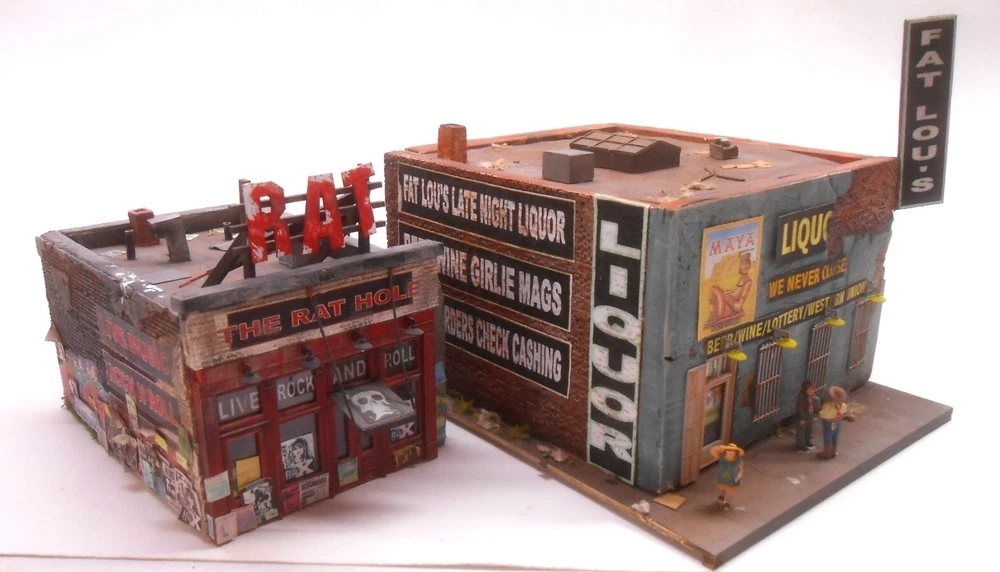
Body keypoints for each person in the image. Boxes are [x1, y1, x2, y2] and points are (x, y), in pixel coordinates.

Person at [708, 252, 754, 322]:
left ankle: (715, 315)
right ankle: (713, 314)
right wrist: (728, 294)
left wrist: (728, 298)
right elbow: (735, 293)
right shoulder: (741, 278)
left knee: (714, 290)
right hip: (725, 306)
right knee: (714, 289)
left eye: (747, 263)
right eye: (743, 264)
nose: (745, 266)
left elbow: (739, 307)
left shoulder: (748, 282)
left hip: (728, 310)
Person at [709, 443, 745, 511]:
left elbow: (741, 470)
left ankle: (727, 503)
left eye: (732, 451)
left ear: (736, 453)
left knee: (730, 492)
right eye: (728, 450)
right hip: (722, 479)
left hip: (732, 480)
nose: (730, 452)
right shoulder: (722, 457)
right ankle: (722, 496)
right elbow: (712, 450)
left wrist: (739, 477)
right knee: (722, 489)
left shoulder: (738, 461)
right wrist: (721, 447)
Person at [818, 386, 850, 459]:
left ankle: (827, 453)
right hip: (838, 422)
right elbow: (844, 412)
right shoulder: (843, 405)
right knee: (835, 436)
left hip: (828, 423)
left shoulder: (827, 406)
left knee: (828, 437)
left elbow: (822, 414)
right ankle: (834, 452)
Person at [795, 380, 821, 451]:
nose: (812, 390)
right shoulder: (801, 396)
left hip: (810, 414)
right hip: (803, 416)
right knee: (801, 431)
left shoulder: (810, 395)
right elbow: (800, 408)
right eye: (811, 389)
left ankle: (807, 441)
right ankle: (800, 444)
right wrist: (802, 418)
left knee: (809, 429)